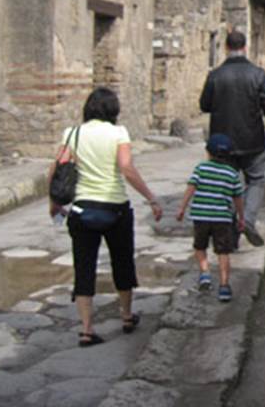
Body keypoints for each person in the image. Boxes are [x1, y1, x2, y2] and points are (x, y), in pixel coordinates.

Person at [48, 87, 164, 347]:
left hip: (82, 210)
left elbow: (56, 168)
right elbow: (126, 167)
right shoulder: (118, 133)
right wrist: (150, 197)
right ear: (113, 110)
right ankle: (125, 316)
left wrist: (53, 202)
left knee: (84, 268)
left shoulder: (72, 133)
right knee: (122, 262)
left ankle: (87, 330)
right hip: (115, 209)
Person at [199, 30, 265, 247]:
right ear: (245, 48)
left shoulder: (215, 75)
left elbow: (204, 105)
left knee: (226, 185)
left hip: (221, 144)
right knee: (255, 181)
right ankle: (248, 221)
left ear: (226, 47)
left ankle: (230, 234)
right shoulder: (258, 75)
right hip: (252, 141)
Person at [176, 133, 244, 302]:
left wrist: (182, 208)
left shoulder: (201, 168)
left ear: (208, 152)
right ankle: (224, 286)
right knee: (223, 252)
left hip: (201, 216)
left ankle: (205, 273)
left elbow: (191, 188)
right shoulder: (232, 173)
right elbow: (238, 198)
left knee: (200, 246)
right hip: (222, 218)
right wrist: (241, 217)